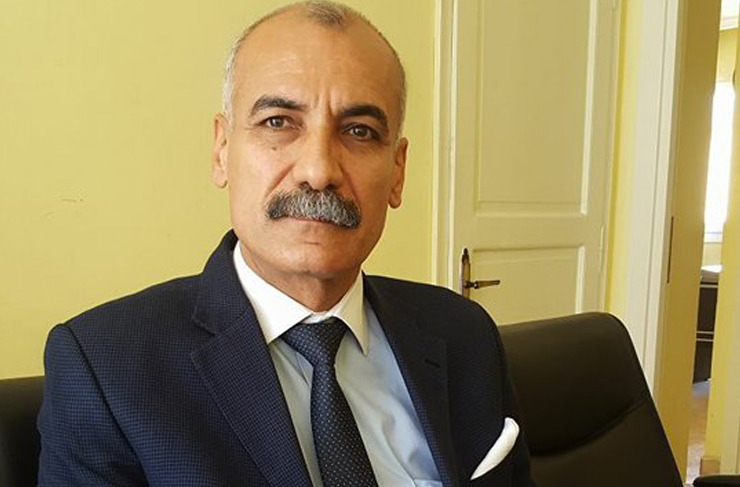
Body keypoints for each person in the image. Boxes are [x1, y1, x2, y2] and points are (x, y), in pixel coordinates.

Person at [37, 2, 535, 486]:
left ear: (397, 171)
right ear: (222, 150)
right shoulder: (105, 367)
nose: (318, 171)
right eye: (277, 122)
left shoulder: (465, 334)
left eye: (359, 131)